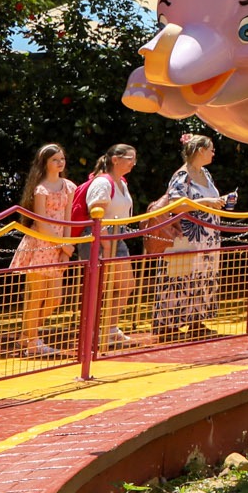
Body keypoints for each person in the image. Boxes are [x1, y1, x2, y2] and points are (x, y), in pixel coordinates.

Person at [153, 134, 229, 339]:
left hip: (209, 235)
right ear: (200, 151)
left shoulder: (205, 173)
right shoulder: (182, 175)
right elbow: (176, 203)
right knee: (180, 277)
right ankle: (168, 325)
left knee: (204, 276)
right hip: (188, 234)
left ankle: (196, 321)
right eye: (211, 149)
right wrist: (205, 202)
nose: (213, 153)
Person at [13, 144, 80, 357]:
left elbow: (68, 218)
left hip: (59, 244)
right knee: (37, 295)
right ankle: (32, 340)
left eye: (62, 158)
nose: (60, 162)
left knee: (55, 298)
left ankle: (28, 334)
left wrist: (66, 245)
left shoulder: (69, 186)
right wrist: (62, 244)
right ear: (45, 164)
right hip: (41, 244)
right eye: (55, 159)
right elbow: (41, 222)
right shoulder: (41, 189)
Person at [82, 144, 143, 349]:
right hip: (103, 238)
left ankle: (108, 328)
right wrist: (106, 245)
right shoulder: (103, 182)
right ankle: (95, 331)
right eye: (129, 158)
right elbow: (96, 213)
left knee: (123, 285)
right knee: (101, 287)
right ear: (115, 160)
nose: (133, 163)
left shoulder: (121, 182)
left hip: (118, 236)